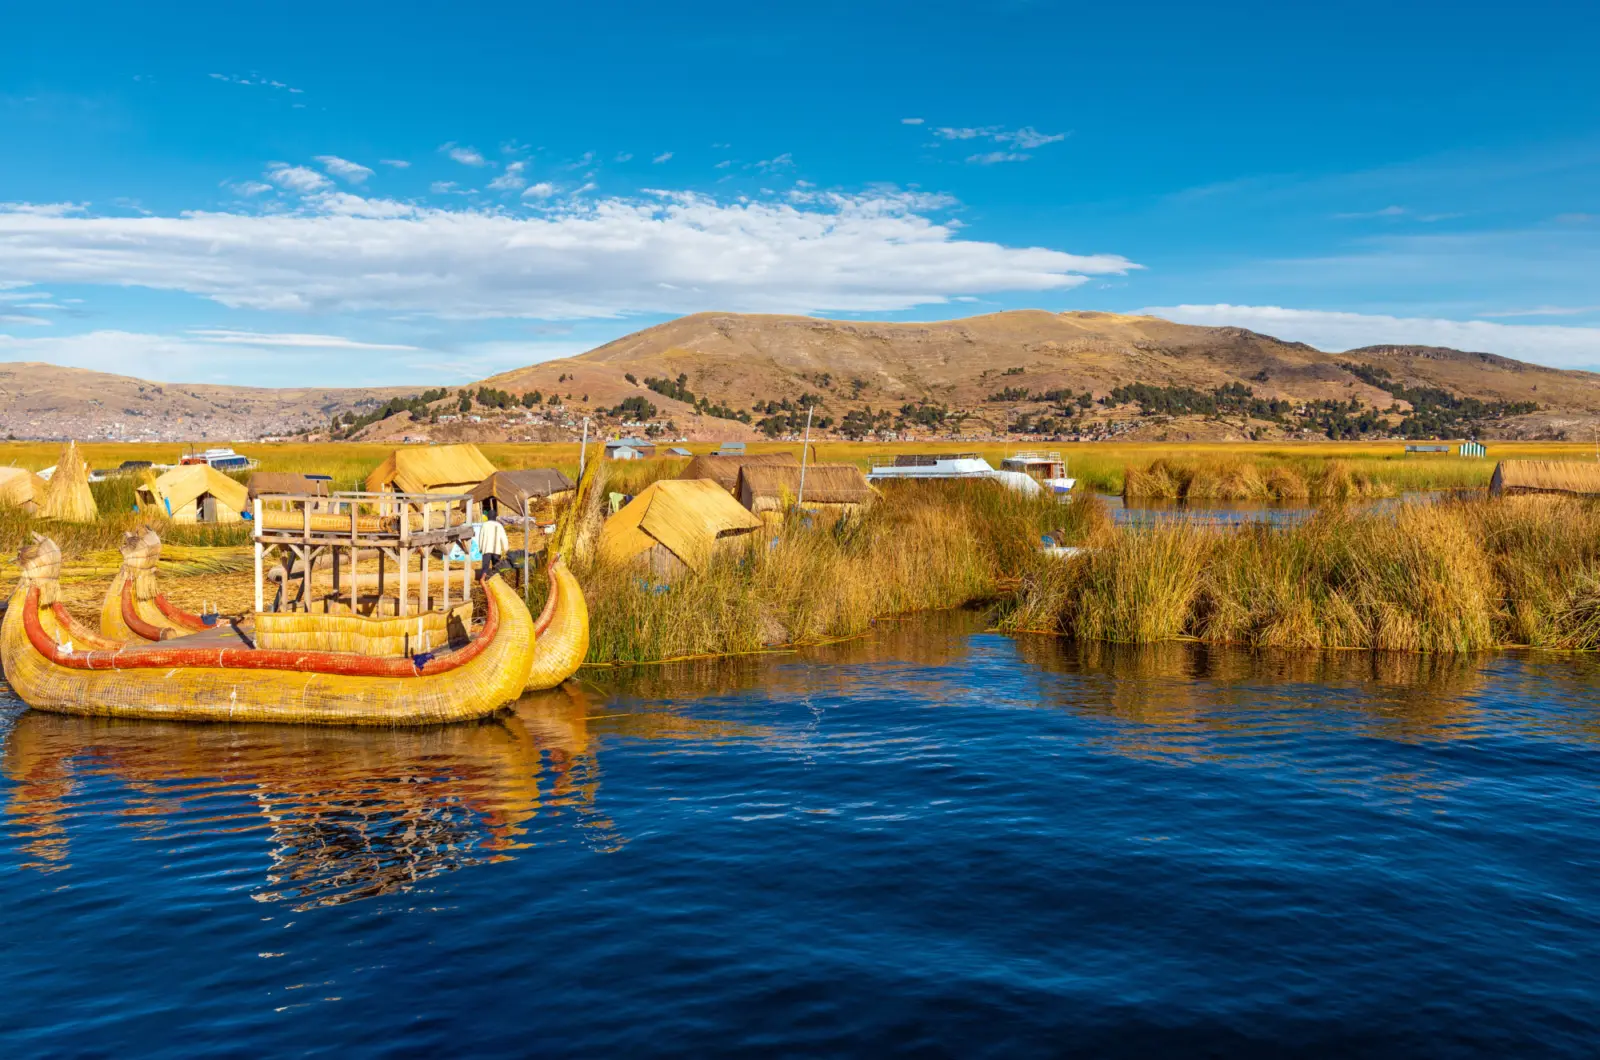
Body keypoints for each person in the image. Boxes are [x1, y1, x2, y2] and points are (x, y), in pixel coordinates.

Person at [475, 514, 509, 579]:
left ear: (488, 517)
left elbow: (481, 537)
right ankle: (496, 580)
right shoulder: (499, 525)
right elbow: (504, 538)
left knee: (485, 566)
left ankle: (483, 579)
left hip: (486, 549)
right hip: (496, 550)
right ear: (495, 517)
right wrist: (506, 548)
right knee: (496, 566)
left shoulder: (484, 525)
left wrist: (480, 548)